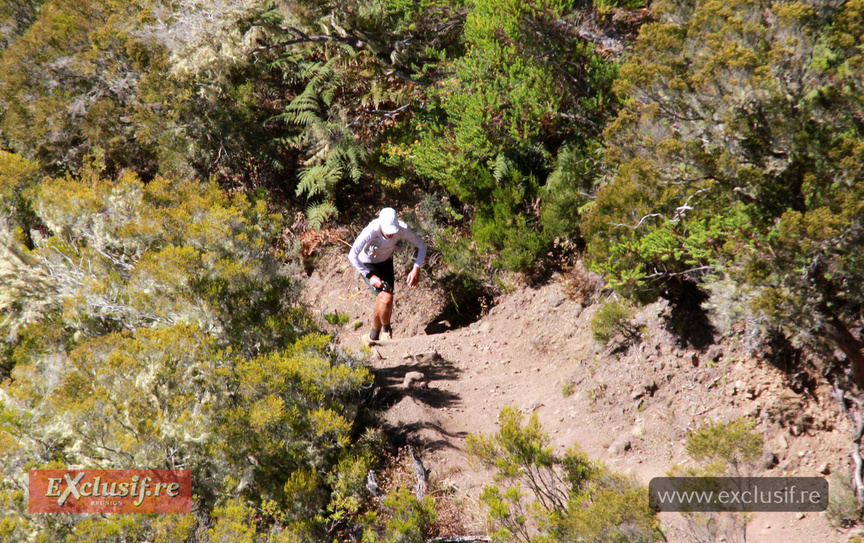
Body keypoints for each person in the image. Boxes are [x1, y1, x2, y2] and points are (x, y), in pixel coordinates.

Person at [348, 207, 427, 345]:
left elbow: (422, 245)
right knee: (386, 298)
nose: (391, 234)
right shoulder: (371, 230)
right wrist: (369, 275)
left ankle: (372, 337)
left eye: (393, 231)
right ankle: (386, 332)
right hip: (368, 265)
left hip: (386, 262)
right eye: (388, 231)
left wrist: (416, 268)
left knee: (383, 300)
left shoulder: (402, 229)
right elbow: (352, 255)